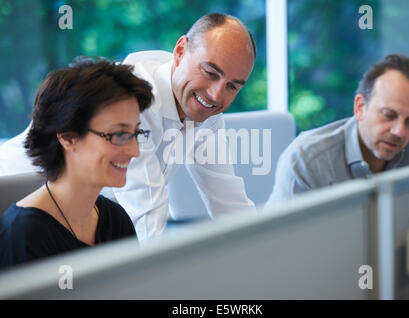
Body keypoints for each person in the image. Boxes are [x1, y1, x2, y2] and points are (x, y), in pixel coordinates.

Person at [0, 13, 257, 241]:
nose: (216, 94)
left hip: (85, 222)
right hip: (18, 200)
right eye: (210, 72)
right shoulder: (133, 103)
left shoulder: (203, 108)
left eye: (233, 86)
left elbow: (230, 205)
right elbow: (148, 218)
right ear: (180, 51)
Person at [0, 58, 153, 270]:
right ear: (68, 137)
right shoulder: (22, 234)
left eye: (136, 133)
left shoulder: (115, 219)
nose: (135, 151)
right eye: (119, 134)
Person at [266, 54, 409, 205]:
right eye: (389, 115)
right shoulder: (307, 160)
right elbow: (280, 238)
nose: (399, 132)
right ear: (360, 107)